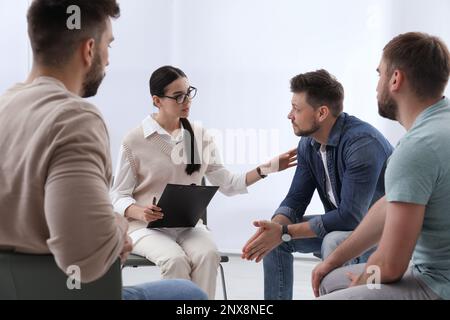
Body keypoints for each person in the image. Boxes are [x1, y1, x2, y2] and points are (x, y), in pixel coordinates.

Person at [0, 0, 206, 300]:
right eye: (108, 44)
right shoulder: (74, 118)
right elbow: (87, 259)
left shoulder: (5, 107)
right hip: (71, 294)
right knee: (188, 295)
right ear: (89, 49)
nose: (108, 59)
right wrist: (119, 224)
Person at [110, 65, 297, 299]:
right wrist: (140, 211)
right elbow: (117, 195)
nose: (186, 100)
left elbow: (228, 184)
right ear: (157, 100)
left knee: (208, 255)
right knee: (175, 260)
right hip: (145, 228)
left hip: (189, 225)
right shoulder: (134, 140)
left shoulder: (199, 136)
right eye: (178, 96)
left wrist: (268, 167)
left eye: (188, 93)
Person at [312, 32, 450, 300]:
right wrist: (334, 259)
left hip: (437, 285)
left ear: (395, 79)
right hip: (430, 273)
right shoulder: (440, 125)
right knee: (331, 279)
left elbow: (389, 266)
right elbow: (391, 204)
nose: (377, 86)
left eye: (379, 74)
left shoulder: (416, 147)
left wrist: (364, 282)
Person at [242, 69, 394, 300]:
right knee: (275, 243)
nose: (289, 115)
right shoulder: (308, 144)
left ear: (322, 113)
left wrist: (284, 231)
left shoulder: (361, 143)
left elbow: (351, 217)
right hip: (345, 226)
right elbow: (296, 199)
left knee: (332, 240)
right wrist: (273, 228)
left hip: (380, 235)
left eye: (296, 108)